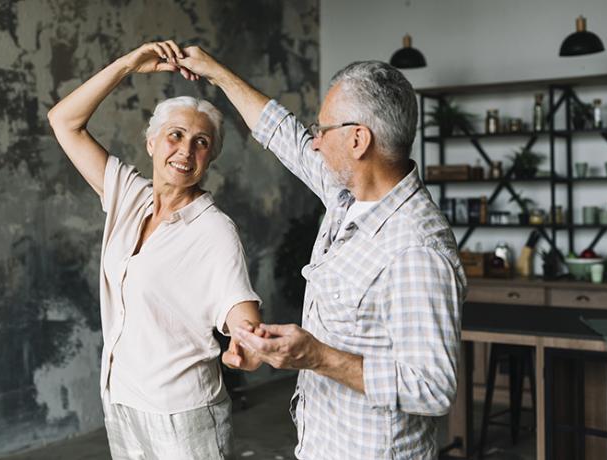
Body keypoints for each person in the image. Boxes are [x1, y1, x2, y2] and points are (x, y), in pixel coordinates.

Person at [179, 48, 467, 459]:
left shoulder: (416, 249)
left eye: (323, 129)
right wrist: (214, 71)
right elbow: (283, 135)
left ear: (357, 139)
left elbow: (433, 388)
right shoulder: (347, 194)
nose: (314, 140)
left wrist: (317, 356)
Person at [47, 40, 263, 460]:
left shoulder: (214, 230)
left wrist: (246, 341)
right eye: (175, 135)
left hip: (181, 416)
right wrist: (127, 64)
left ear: (210, 157)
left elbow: (241, 312)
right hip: (122, 401)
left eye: (201, 142)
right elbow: (63, 121)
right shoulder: (128, 194)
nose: (185, 150)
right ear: (151, 143)